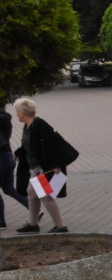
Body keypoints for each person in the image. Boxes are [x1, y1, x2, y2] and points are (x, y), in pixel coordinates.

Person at [12, 98, 72, 234]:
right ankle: (32, 223)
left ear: (23, 112)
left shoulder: (38, 124)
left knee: (45, 196)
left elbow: (55, 142)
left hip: (46, 167)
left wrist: (57, 164)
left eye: (17, 111)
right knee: (32, 193)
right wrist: (18, 152)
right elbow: (29, 145)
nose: (16, 114)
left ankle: (61, 226)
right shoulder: (28, 125)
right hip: (36, 167)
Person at [0, 104, 29, 229]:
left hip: (2, 158)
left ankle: (1, 221)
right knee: (9, 189)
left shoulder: (3, 118)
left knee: (9, 189)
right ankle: (34, 210)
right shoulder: (5, 117)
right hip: (7, 157)